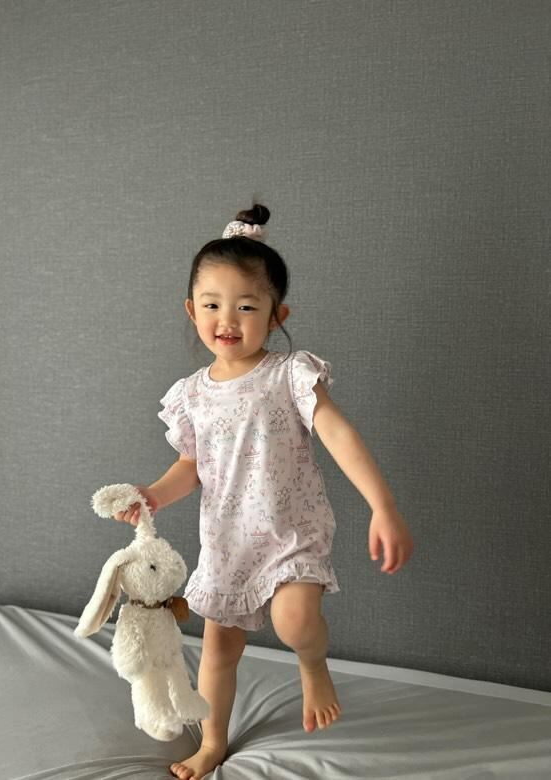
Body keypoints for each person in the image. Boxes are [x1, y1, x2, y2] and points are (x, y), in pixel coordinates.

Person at [114, 203, 414, 780]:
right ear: (191, 310)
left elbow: (339, 435)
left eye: (247, 306)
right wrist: (152, 494)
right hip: (227, 542)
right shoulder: (191, 394)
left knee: (295, 622)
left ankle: (313, 666)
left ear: (277, 316)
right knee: (218, 652)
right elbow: (191, 466)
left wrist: (383, 506)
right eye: (212, 305)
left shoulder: (289, 374)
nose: (227, 319)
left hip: (290, 531)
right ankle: (212, 743)